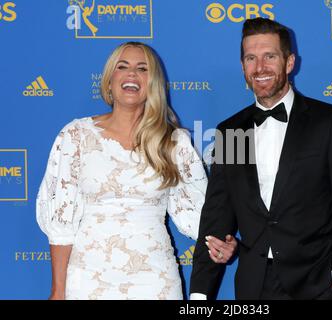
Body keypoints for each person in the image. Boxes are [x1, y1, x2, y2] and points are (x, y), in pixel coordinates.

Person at [36, 42, 236, 300]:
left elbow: (201, 215)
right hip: (88, 280)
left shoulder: (173, 142)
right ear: (109, 81)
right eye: (123, 67)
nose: (132, 74)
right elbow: (61, 223)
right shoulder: (75, 136)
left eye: (142, 69)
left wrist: (223, 242)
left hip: (154, 281)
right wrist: (58, 290)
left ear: (152, 84)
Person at [190, 18, 332, 300]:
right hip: (253, 287)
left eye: (269, 56)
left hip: (317, 282)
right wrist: (200, 295)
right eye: (251, 58)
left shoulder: (331, 122)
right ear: (242, 67)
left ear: (289, 62)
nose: (259, 67)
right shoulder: (232, 132)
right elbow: (217, 218)